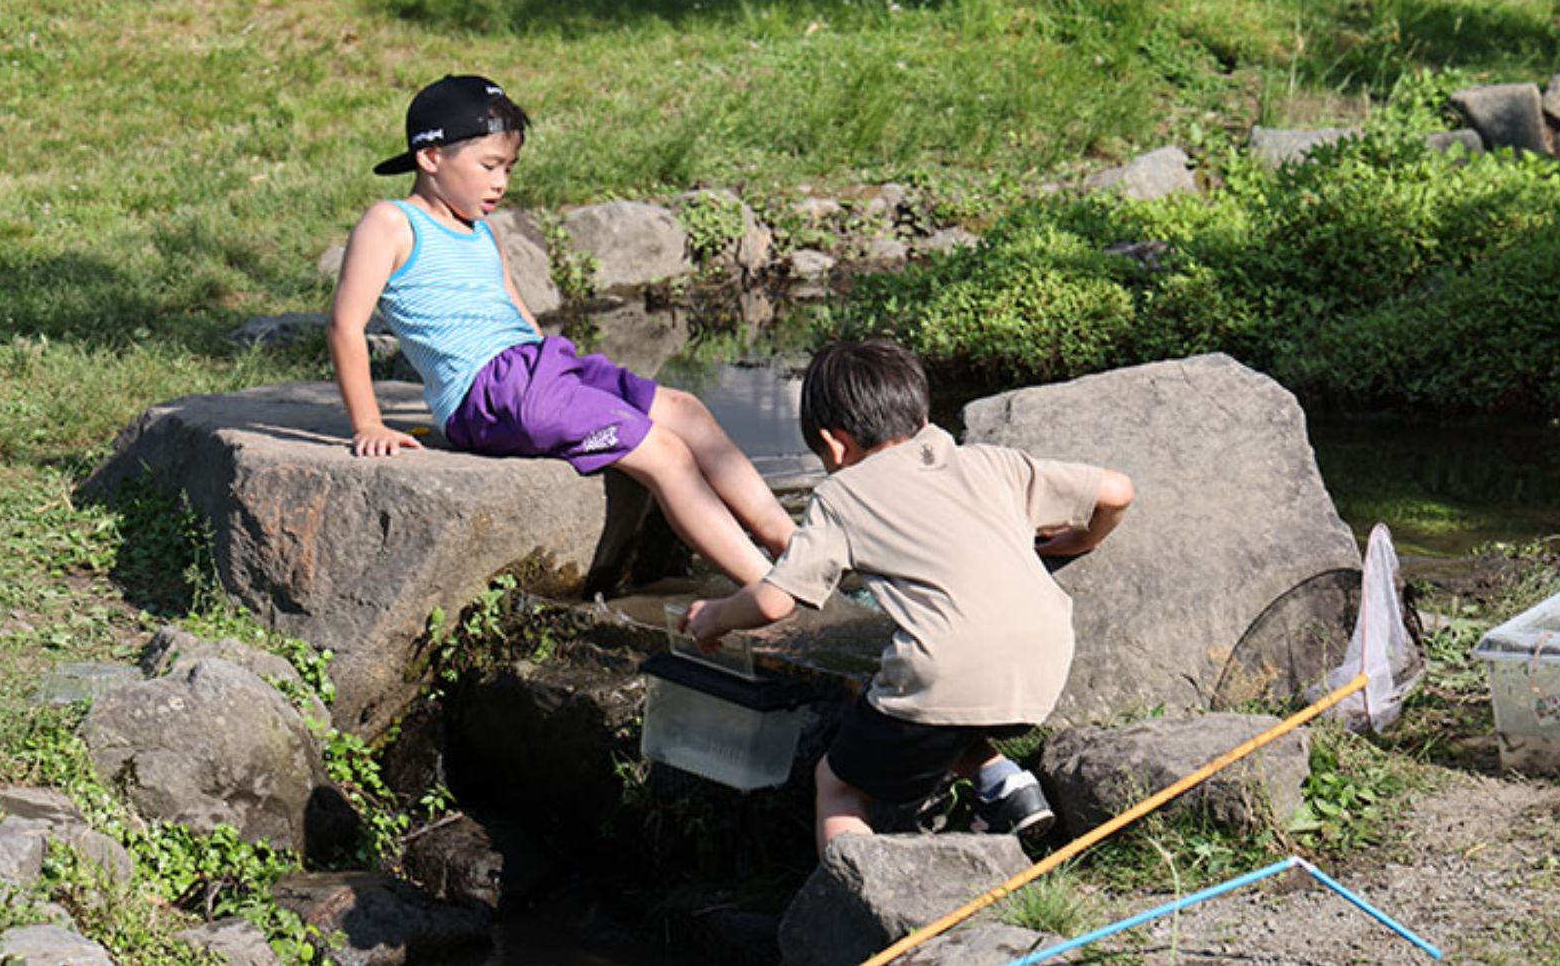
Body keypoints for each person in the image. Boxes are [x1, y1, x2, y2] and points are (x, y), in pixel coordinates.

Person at [328, 74, 796, 587]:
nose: (501, 182)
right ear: (431, 157)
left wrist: (563, 369)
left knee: (687, 410)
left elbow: (518, 316)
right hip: (489, 392)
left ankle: (794, 549)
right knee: (665, 454)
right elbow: (346, 327)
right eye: (488, 166)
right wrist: (368, 423)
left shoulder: (481, 231)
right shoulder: (392, 223)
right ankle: (773, 591)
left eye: (509, 167)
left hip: (539, 370)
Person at [683, 339, 1135, 855]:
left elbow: (773, 602)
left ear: (834, 446)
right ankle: (1005, 782)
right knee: (936, 714)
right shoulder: (991, 463)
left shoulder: (840, 494)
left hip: (945, 676)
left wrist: (715, 616)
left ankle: (853, 898)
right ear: (923, 414)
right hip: (1042, 671)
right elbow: (1117, 491)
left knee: (838, 781)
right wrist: (1081, 539)